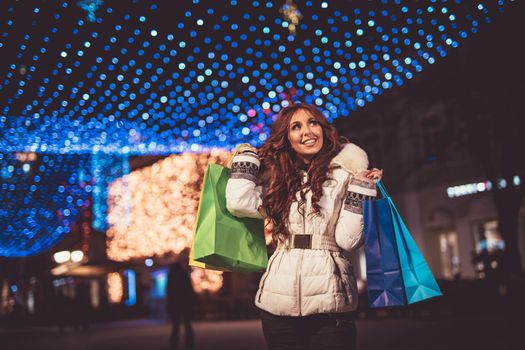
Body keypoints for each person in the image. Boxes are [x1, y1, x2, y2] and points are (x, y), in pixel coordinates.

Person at [225, 103, 383, 350]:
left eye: (312, 123)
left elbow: (348, 240)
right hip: (277, 304)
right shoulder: (278, 178)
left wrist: (361, 188)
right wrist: (246, 157)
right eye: (295, 127)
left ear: (323, 128)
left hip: (330, 303)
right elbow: (238, 202)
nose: (307, 132)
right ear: (286, 138)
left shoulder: (345, 173)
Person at [166, 249, 196, 349]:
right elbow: (187, 288)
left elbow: (170, 291)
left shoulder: (184, 269)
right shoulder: (180, 271)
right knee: (182, 323)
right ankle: (183, 341)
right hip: (181, 301)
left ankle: (180, 341)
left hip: (180, 301)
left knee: (181, 323)